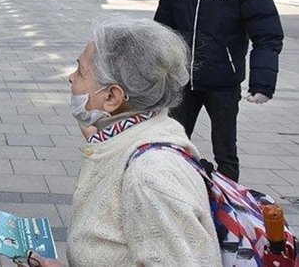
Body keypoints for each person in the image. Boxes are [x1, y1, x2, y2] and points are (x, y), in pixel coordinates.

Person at [32, 17, 221, 267]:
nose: (71, 77)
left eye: (80, 71)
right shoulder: (142, 130)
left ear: (112, 97)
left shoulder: (150, 177)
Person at [154, 0, 283, 182]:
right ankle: (173, 193)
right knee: (170, 145)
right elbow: (161, 31)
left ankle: (230, 205)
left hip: (222, 82)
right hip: (182, 81)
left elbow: (267, 34)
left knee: (225, 153)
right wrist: (153, 74)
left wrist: (263, 83)